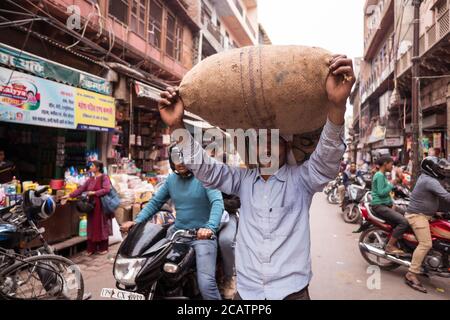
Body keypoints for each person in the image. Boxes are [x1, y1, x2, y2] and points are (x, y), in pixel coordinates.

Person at [157, 55, 355, 300]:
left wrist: (337, 106)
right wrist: (177, 126)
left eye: (277, 140)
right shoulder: (243, 181)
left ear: (287, 146)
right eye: (263, 140)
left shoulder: (301, 180)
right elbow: (206, 169)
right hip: (248, 292)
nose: (269, 146)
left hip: (291, 292)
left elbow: (326, 159)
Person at [120, 146, 225, 300]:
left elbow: (217, 203)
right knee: (148, 271)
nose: (180, 163)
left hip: (201, 237)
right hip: (176, 234)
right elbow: (155, 203)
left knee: (206, 284)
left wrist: (209, 228)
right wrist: (136, 222)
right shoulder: (171, 180)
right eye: (176, 159)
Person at [404, 157, 450, 293]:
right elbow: (446, 197)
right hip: (417, 216)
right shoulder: (429, 180)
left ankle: (427, 265)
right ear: (431, 169)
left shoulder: (428, 178)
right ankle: (411, 274)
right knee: (426, 244)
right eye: (439, 169)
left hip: (426, 215)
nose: (442, 171)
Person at [62, 161, 112, 255]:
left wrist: (94, 193)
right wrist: (69, 195)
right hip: (91, 205)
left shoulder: (104, 177)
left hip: (101, 205)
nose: (91, 167)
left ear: (97, 168)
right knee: (91, 225)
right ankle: (91, 248)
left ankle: (103, 248)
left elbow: (106, 189)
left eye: (92, 166)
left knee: (101, 225)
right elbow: (81, 189)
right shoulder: (90, 179)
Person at [371, 156, 409, 256]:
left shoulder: (382, 175)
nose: (392, 166)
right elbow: (381, 192)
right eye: (391, 164)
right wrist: (392, 184)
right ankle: (390, 246)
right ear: (385, 164)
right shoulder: (379, 175)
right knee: (403, 222)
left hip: (384, 204)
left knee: (407, 215)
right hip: (379, 205)